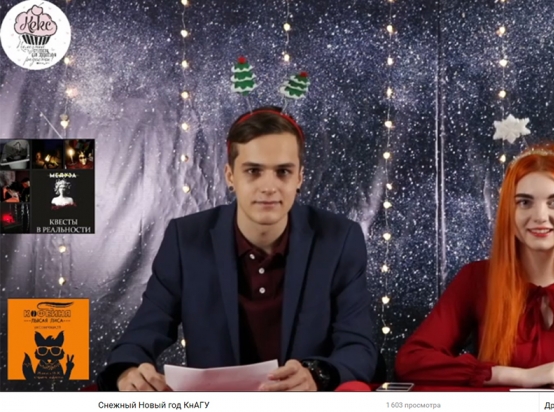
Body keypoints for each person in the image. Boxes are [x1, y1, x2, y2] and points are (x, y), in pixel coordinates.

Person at [97, 106, 377, 392]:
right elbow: (142, 334)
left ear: (299, 178)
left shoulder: (340, 239)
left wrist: (317, 375)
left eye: (283, 172)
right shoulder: (186, 238)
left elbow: (359, 347)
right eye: (253, 171)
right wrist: (127, 372)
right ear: (230, 175)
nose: (269, 187)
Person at [395, 143, 554, 391]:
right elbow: (412, 360)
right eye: (524, 202)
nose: (540, 216)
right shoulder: (476, 279)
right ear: (509, 210)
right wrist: (514, 375)